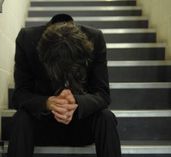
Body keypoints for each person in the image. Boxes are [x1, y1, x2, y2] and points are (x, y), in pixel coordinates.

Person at [7, 14, 121, 157]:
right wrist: (47, 103)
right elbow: (19, 96)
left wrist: (77, 102)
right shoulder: (27, 39)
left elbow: (103, 95)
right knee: (21, 118)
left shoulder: (95, 38)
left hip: (81, 124)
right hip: (42, 125)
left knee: (106, 117)